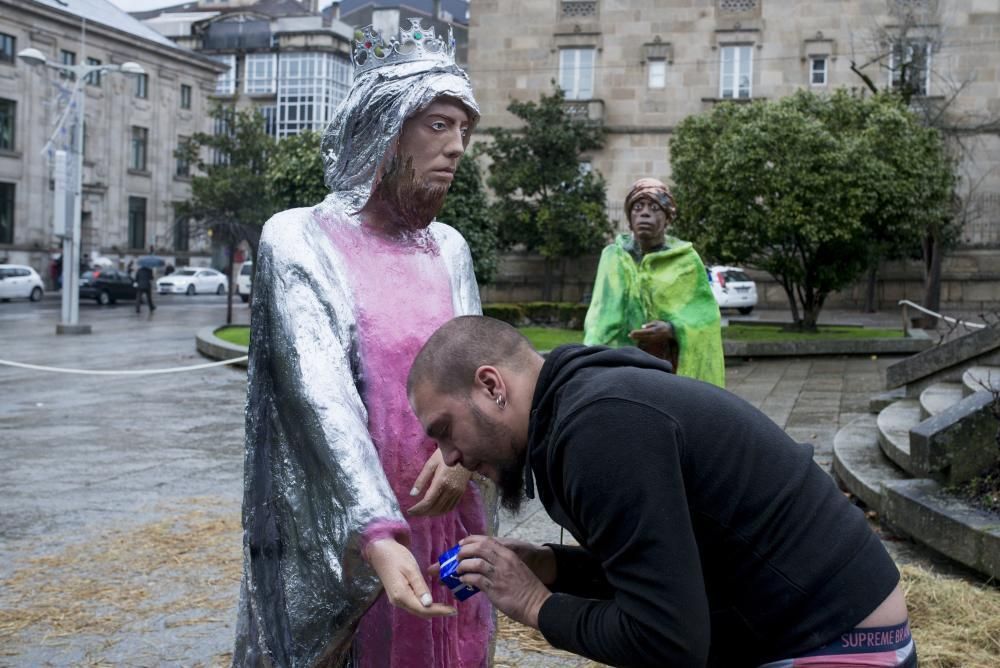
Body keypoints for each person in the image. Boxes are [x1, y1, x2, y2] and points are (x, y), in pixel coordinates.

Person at [406, 316, 916, 668]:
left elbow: (667, 641)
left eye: (446, 430)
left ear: (493, 387)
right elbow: (664, 572)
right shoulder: (586, 407)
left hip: (837, 642)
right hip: (819, 623)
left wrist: (534, 603)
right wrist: (554, 567)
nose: (449, 458)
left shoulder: (598, 432)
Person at [232, 19, 495, 667]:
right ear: (385, 126)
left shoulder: (450, 248)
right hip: (347, 535)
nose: (457, 146)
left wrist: (464, 453)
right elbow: (316, 399)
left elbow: (477, 373)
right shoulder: (301, 240)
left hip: (445, 521)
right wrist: (374, 531)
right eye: (438, 124)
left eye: (464, 129)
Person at [584, 177, 725, 387]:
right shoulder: (613, 257)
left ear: (667, 219)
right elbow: (599, 317)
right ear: (630, 219)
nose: (645, 213)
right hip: (619, 367)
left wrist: (671, 329)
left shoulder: (685, 261)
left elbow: (705, 318)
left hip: (667, 369)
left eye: (654, 207)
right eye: (638, 207)